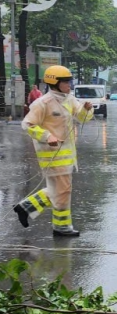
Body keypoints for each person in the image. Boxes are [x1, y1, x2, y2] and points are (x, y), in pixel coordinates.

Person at [13, 65, 94, 237]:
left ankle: (30, 209)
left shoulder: (69, 99)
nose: (69, 84)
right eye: (66, 82)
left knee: (60, 190)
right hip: (51, 154)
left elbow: (82, 118)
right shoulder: (43, 103)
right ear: (55, 83)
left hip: (67, 154)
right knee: (62, 190)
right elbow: (27, 124)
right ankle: (60, 226)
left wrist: (87, 109)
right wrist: (46, 136)